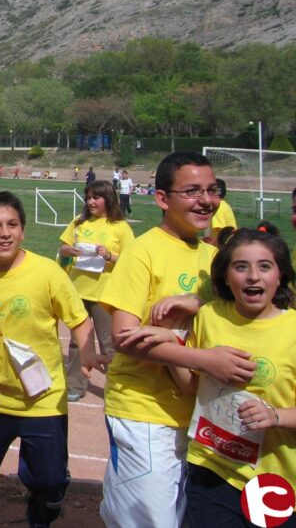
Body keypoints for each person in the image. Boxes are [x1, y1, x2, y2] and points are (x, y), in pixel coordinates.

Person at [98, 151, 257, 528]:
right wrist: (205, 361)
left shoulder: (215, 257)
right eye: (191, 191)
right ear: (162, 199)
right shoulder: (144, 251)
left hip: (199, 414)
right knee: (154, 521)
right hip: (145, 411)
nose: (206, 200)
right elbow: (122, 336)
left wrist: (197, 301)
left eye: (211, 190)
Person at [121, 227, 295, 527]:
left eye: (264, 267)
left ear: (280, 276)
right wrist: (174, 339)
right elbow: (191, 387)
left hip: (274, 478)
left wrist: (275, 416)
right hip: (213, 467)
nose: (253, 276)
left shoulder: (292, 330)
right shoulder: (210, 317)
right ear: (226, 277)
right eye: (241, 267)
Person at [0, 191, 99, 528]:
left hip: (42, 400)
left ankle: (39, 514)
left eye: (12, 225)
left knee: (49, 480)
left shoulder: (47, 272)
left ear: (23, 230)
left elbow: (79, 319)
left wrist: (87, 352)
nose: (5, 233)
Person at [57, 180, 134, 402]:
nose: (91, 201)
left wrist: (110, 256)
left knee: (108, 342)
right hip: (78, 291)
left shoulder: (120, 228)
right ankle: (75, 385)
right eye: (88, 197)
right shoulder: (79, 222)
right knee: (76, 342)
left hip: (105, 295)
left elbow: (131, 262)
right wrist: (68, 250)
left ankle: (117, 387)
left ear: (108, 199)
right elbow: (62, 247)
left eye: (95, 197)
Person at [205, 178, 237, 245]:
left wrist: (209, 245)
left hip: (224, 246)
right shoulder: (224, 205)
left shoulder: (218, 207)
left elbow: (221, 232)